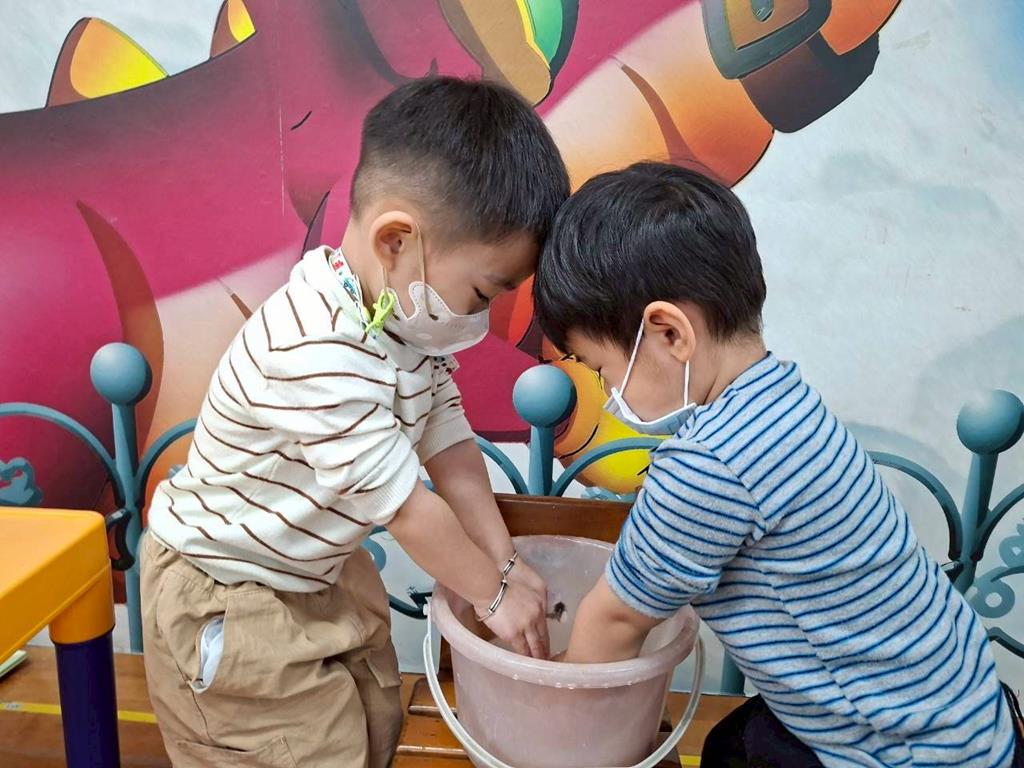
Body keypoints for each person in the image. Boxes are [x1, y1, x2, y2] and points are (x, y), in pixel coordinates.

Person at [532, 161, 1023, 767]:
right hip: (963, 709)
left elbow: (612, 621)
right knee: (731, 746)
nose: (608, 393)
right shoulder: (784, 399)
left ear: (669, 334)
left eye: (601, 368)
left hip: (904, 750)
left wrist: (551, 717)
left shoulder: (705, 466)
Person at [141, 75, 569, 767]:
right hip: (228, 590)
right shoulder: (314, 349)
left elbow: (450, 447)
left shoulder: (399, 322)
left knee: (373, 725)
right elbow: (408, 510)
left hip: (315, 571)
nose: (481, 317)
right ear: (397, 240)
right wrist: (493, 597)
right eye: (481, 292)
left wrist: (505, 560)